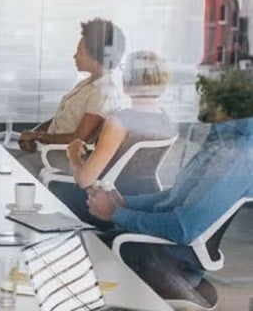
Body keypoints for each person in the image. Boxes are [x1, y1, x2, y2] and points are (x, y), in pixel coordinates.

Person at [87, 69, 253, 308]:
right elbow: (177, 196)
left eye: (206, 93)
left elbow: (184, 228)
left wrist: (116, 214)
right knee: (76, 244)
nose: (198, 99)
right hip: (158, 249)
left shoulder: (236, 155)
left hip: (166, 259)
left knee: (73, 258)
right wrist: (126, 203)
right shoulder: (222, 140)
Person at [49, 51, 177, 227]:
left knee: (47, 181)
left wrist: (73, 155)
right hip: (145, 202)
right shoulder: (166, 120)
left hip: (107, 204)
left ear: (127, 83)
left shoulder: (120, 122)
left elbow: (84, 180)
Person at [13, 18, 130, 176]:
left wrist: (38, 136)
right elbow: (60, 119)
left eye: (80, 53)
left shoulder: (103, 92)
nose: (75, 56)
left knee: (15, 168)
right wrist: (33, 134)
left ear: (97, 58)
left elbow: (79, 138)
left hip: (65, 157)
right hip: (50, 148)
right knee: (5, 159)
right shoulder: (88, 82)